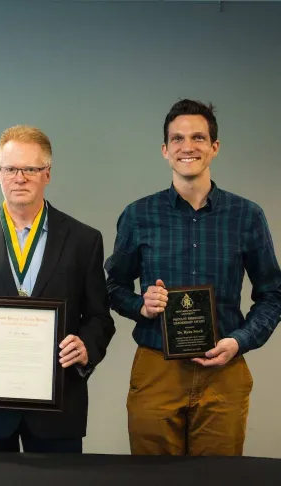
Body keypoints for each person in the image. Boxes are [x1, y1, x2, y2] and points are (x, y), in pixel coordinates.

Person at [104, 99, 281, 456]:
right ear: (165, 150)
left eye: (198, 138)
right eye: (178, 139)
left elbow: (273, 295)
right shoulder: (139, 215)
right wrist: (142, 306)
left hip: (224, 366)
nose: (188, 147)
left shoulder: (247, 216)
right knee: (153, 480)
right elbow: (111, 287)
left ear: (214, 148)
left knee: (217, 479)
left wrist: (241, 340)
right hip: (157, 368)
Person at [0, 125, 115, 453]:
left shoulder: (84, 241)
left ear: (47, 174)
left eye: (30, 169)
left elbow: (99, 318)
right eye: (10, 168)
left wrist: (86, 347)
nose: (19, 177)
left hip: (59, 405)